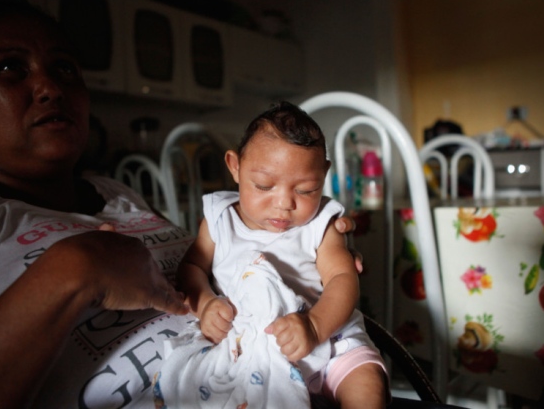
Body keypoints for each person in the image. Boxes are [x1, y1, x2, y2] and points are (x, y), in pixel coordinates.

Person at [0, 0, 359, 409]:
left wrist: (311, 243)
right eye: (9, 68)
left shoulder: (116, 194)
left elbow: (212, 265)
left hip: (283, 376)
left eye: (65, 69)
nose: (50, 87)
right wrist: (76, 269)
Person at [161, 102, 387, 409]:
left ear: (324, 175)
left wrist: (316, 326)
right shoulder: (219, 220)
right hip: (248, 344)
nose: (284, 204)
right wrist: (205, 303)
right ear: (235, 167)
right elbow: (191, 266)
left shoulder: (322, 224)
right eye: (264, 185)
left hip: (329, 337)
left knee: (367, 384)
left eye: (306, 190)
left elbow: (343, 278)